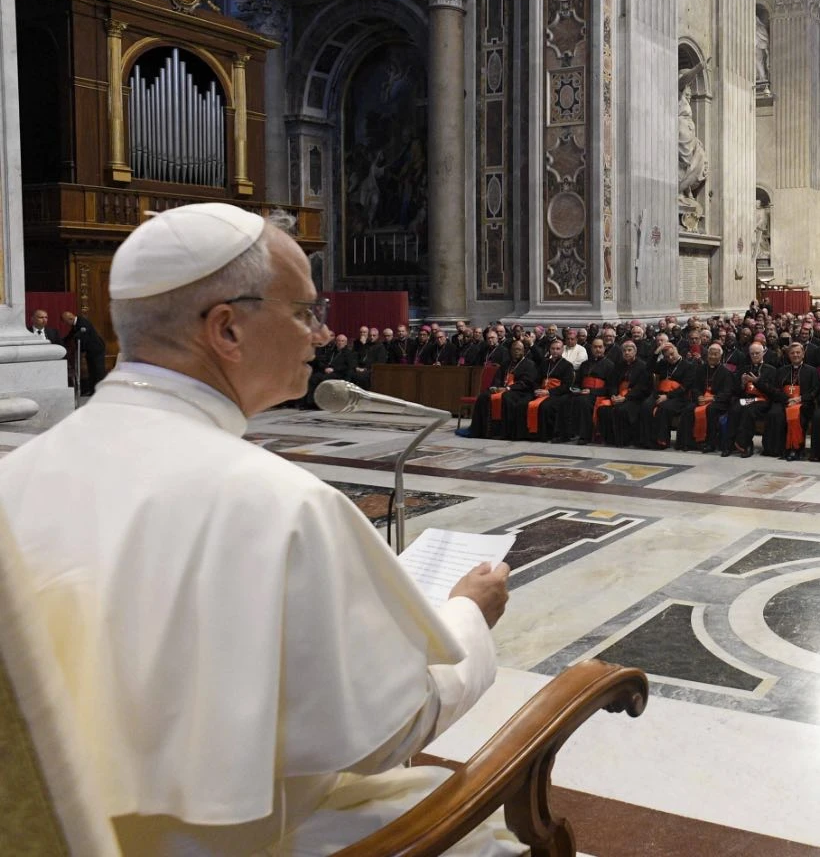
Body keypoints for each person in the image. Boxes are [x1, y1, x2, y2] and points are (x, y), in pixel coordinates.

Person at [0, 203, 515, 854]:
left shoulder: (19, 474)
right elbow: (390, 732)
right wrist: (469, 616)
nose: (321, 337)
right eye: (304, 311)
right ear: (227, 330)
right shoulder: (280, 505)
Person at [467, 339, 532, 438]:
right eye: (514, 349)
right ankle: (482, 431)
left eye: (519, 349)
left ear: (523, 351)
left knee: (506, 398)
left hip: (518, 392)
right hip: (502, 389)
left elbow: (526, 383)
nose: (516, 352)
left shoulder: (529, 365)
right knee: (483, 396)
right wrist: (495, 387)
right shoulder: (506, 364)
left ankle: (503, 433)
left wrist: (508, 388)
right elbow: (497, 378)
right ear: (510, 351)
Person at [766, 343, 819, 461]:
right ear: (788, 355)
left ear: (803, 354)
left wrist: (800, 399)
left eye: (798, 352)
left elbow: (815, 391)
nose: (795, 355)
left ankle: (796, 448)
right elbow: (775, 389)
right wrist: (787, 399)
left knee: (797, 415)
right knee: (775, 413)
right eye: (792, 353)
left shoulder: (812, 371)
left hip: (804, 403)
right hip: (785, 401)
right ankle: (778, 448)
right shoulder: (781, 371)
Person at [728, 341, 781, 457]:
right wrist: (742, 384)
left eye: (757, 353)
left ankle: (746, 445)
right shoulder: (744, 369)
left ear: (763, 353)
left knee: (749, 411)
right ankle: (729, 444)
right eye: (752, 354)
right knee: (734, 409)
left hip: (762, 400)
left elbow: (773, 391)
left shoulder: (771, 370)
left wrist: (757, 382)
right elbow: (737, 391)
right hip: (747, 399)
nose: (755, 356)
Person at [681, 342, 735, 453]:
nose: (712, 356)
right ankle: (689, 442)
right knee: (688, 409)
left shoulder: (726, 372)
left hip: (718, 401)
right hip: (702, 399)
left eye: (715, 354)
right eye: (710, 353)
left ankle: (710, 443)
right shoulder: (700, 369)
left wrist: (712, 399)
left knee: (711, 409)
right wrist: (699, 396)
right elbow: (695, 387)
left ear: (720, 356)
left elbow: (727, 392)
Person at [61, 309, 107, 396]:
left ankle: (102, 391)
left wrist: (81, 350)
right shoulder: (76, 324)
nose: (66, 324)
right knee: (92, 370)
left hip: (97, 349)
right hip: (90, 351)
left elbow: (83, 337)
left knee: (98, 370)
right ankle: (93, 391)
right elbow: (71, 335)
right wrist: (61, 341)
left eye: (66, 322)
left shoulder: (82, 322)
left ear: (70, 318)